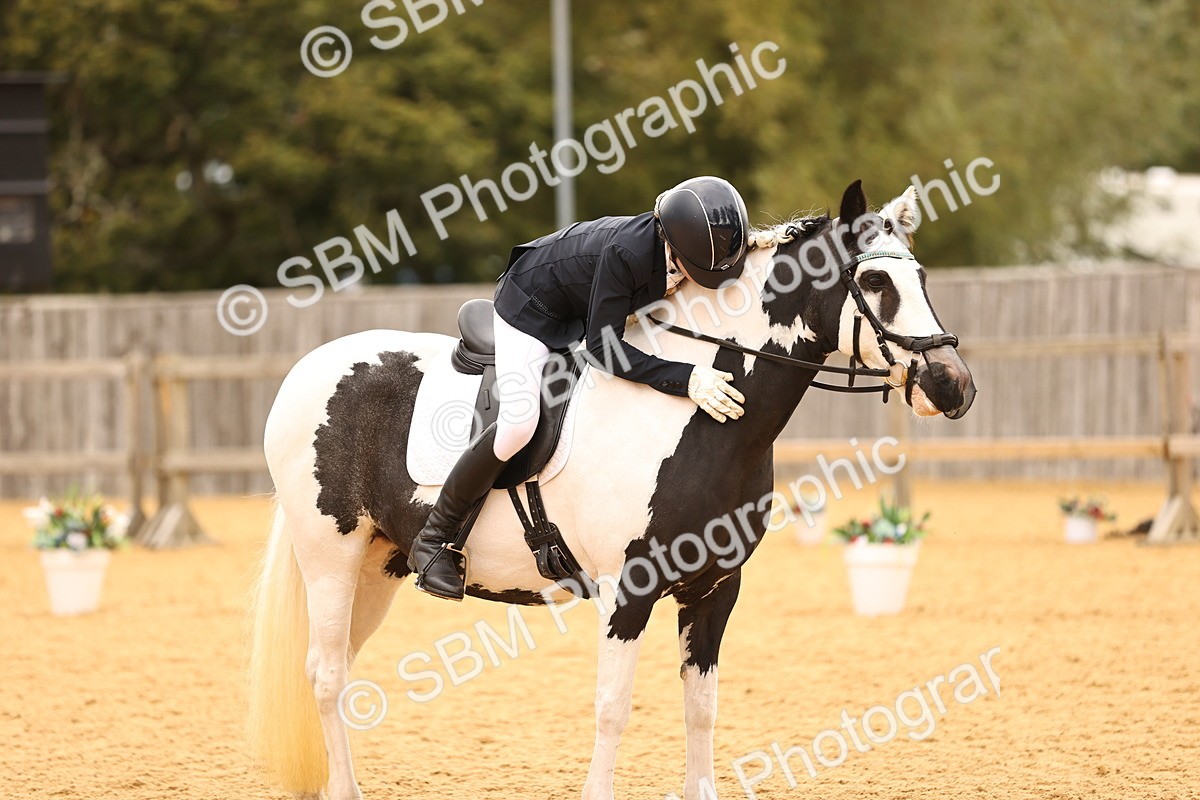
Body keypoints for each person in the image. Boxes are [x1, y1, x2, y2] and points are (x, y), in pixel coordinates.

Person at [407, 176, 752, 600]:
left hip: (577, 306)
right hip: (531, 307)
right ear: (675, 249)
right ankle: (434, 540)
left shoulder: (677, 244)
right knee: (519, 422)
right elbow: (604, 351)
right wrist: (688, 378)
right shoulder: (628, 253)